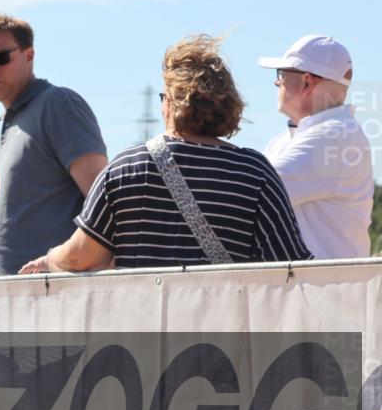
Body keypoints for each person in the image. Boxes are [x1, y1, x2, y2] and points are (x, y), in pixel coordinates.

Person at [21, 34, 312, 273]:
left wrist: (49, 260)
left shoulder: (126, 168)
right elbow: (291, 266)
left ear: (172, 102)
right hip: (227, 338)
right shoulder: (255, 172)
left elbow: (81, 257)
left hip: (143, 336)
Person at [0, 14, 108, 276]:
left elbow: (104, 200)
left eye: (1, 58)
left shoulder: (58, 105)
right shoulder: (13, 121)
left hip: (52, 296)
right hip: (17, 299)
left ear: (29, 55)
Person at [257, 35, 374, 259]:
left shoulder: (335, 137)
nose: (276, 82)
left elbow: (255, 191)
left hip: (326, 291)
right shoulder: (294, 138)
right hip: (316, 289)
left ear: (306, 82)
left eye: (281, 74)